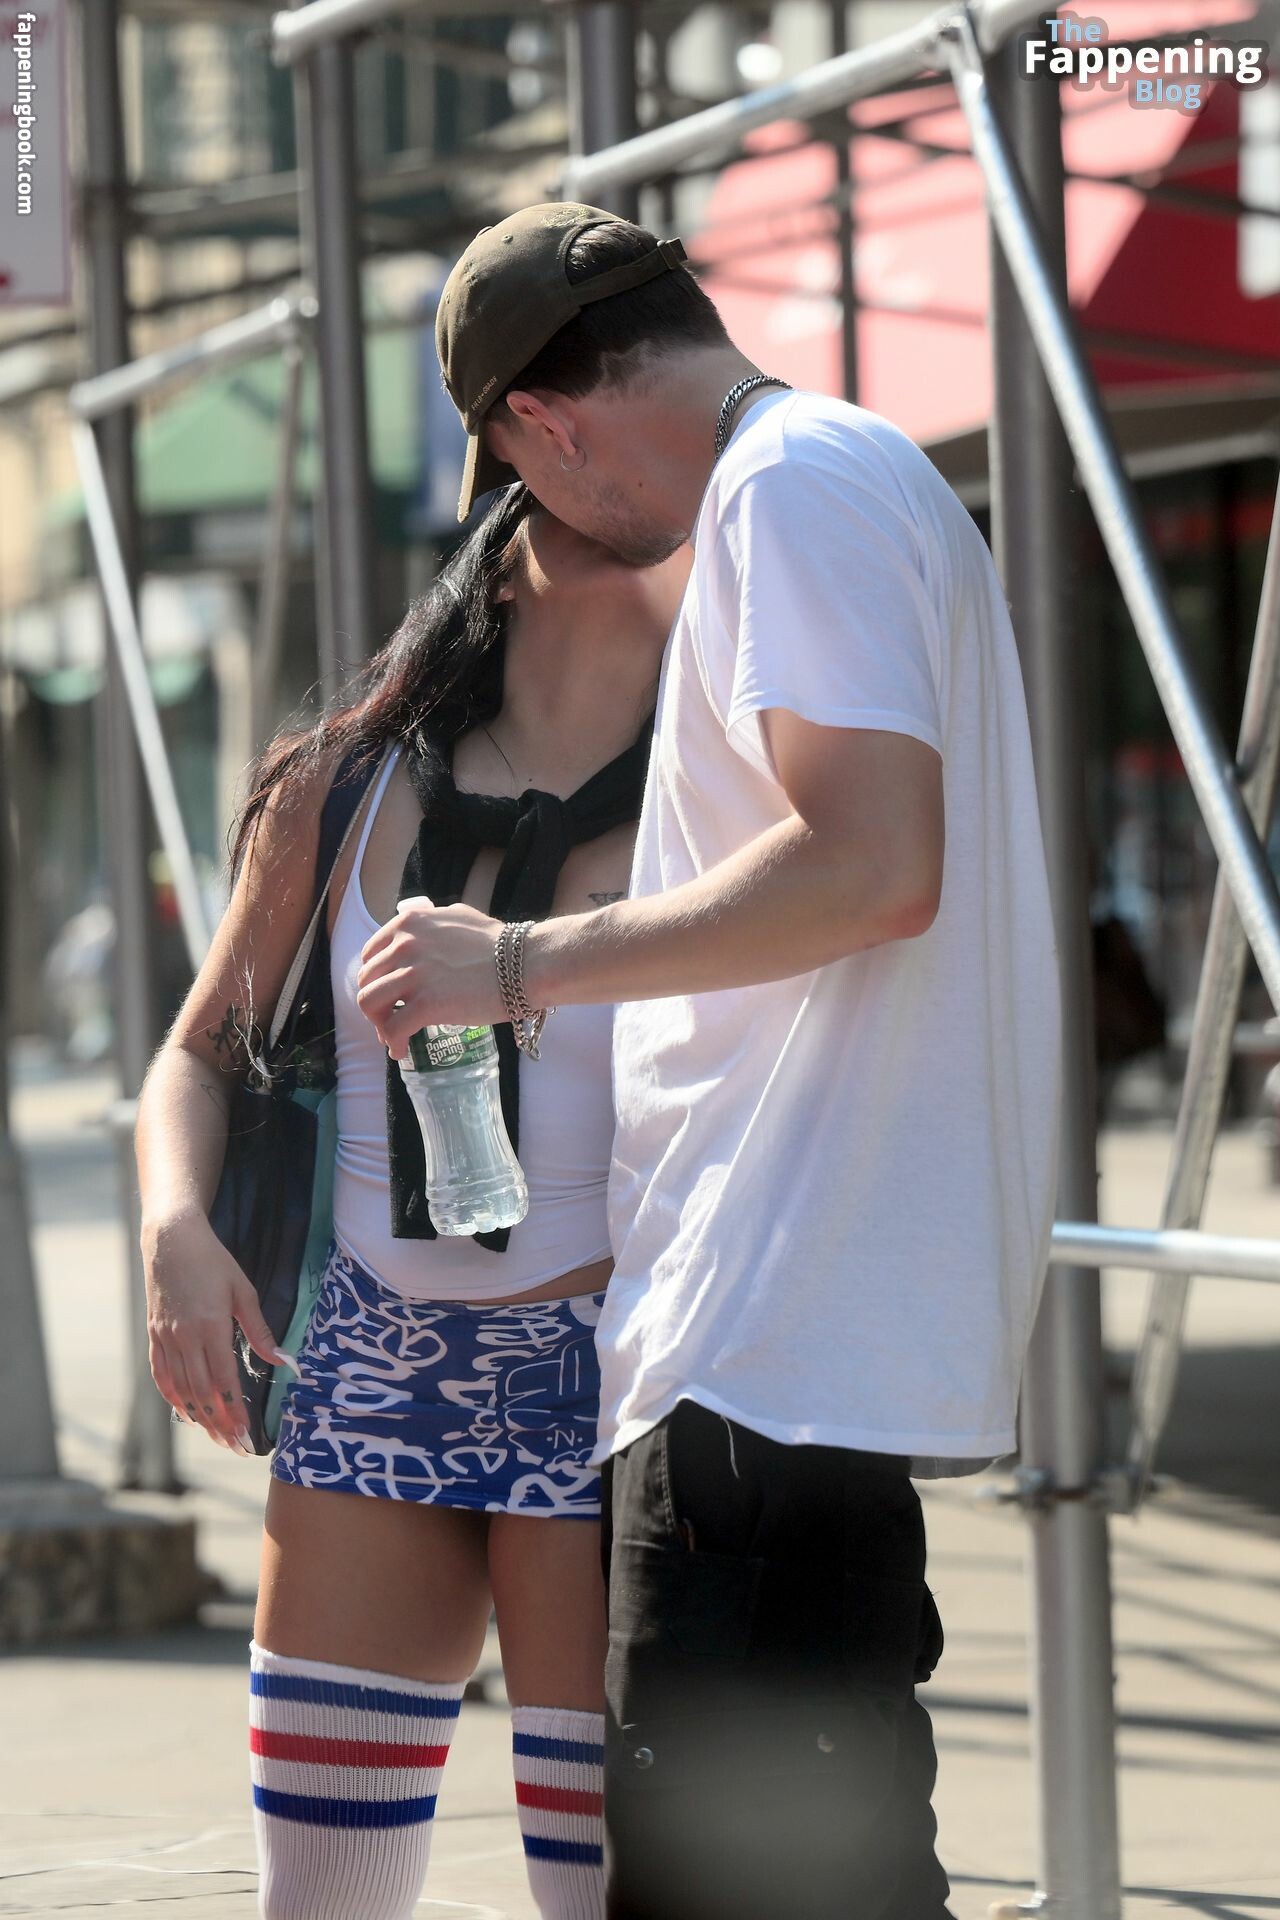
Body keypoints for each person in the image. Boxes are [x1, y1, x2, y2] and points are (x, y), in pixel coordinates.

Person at [357, 204, 1063, 1920]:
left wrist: (513, 961)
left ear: (543, 421)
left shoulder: (787, 488)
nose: (556, 523)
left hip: (768, 1347)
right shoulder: (843, 471)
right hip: (781, 1349)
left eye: (528, 483)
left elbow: (871, 866)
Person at [135, 482, 689, 1920]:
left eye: (670, 515)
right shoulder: (344, 786)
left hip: (608, 1378)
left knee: (599, 1893)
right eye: (575, 507)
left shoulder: (717, 802)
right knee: (321, 1898)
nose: (637, 520)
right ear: (495, 568)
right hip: (375, 1365)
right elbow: (198, 1054)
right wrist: (174, 1231)